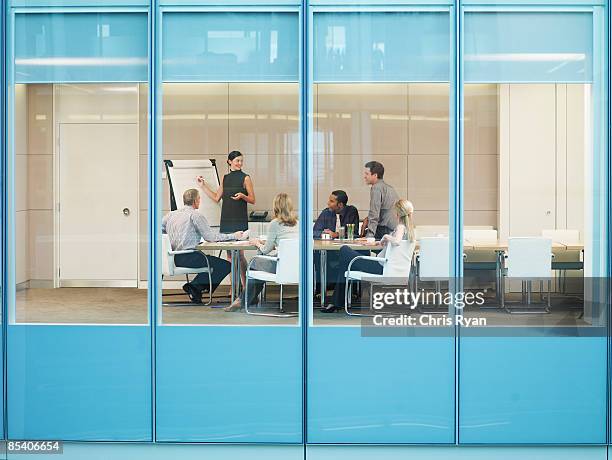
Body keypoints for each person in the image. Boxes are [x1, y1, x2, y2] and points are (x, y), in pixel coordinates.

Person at [321, 199, 415, 313]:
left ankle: (336, 302)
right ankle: (335, 302)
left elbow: (397, 241)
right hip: (386, 267)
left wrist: (386, 236)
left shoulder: (401, 227)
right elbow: (394, 247)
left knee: (344, 249)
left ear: (398, 213)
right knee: (346, 264)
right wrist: (379, 243)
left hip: (381, 267)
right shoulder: (410, 231)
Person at [162, 188, 244, 304]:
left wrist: (169, 241)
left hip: (174, 257)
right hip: (190, 257)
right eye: (199, 199)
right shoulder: (195, 216)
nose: (200, 201)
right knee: (225, 265)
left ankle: (196, 290)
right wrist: (234, 235)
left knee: (211, 262)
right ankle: (195, 287)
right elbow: (211, 238)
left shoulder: (170, 215)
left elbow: (160, 230)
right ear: (196, 201)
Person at [225, 193, 299, 312]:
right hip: (298, 268)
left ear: (276, 207)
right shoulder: (298, 223)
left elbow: (265, 250)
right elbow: (289, 244)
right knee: (259, 264)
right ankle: (248, 298)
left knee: (255, 264)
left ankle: (244, 299)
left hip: (280, 267)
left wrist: (256, 243)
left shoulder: (275, 223)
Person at [197, 150, 255, 287]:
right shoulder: (225, 178)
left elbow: (252, 199)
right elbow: (217, 198)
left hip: (239, 219)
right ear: (230, 161)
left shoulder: (246, 178)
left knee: (240, 255)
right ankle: (233, 287)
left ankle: (246, 285)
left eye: (241, 161)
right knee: (229, 257)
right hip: (226, 219)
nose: (240, 163)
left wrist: (243, 196)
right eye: (237, 161)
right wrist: (203, 186)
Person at [313, 190, 359, 295]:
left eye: (331, 201)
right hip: (330, 251)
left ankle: (351, 291)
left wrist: (336, 234)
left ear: (340, 205)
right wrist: (325, 234)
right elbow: (314, 232)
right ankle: (320, 289)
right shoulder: (326, 212)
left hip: (348, 250)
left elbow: (355, 233)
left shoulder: (351, 211)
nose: (328, 203)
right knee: (316, 255)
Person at [360, 161, 399, 239]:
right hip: (393, 228)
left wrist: (369, 236)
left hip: (383, 229)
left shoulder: (376, 188)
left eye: (367, 174)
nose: (364, 176)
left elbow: (374, 213)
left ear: (375, 175)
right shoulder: (389, 188)